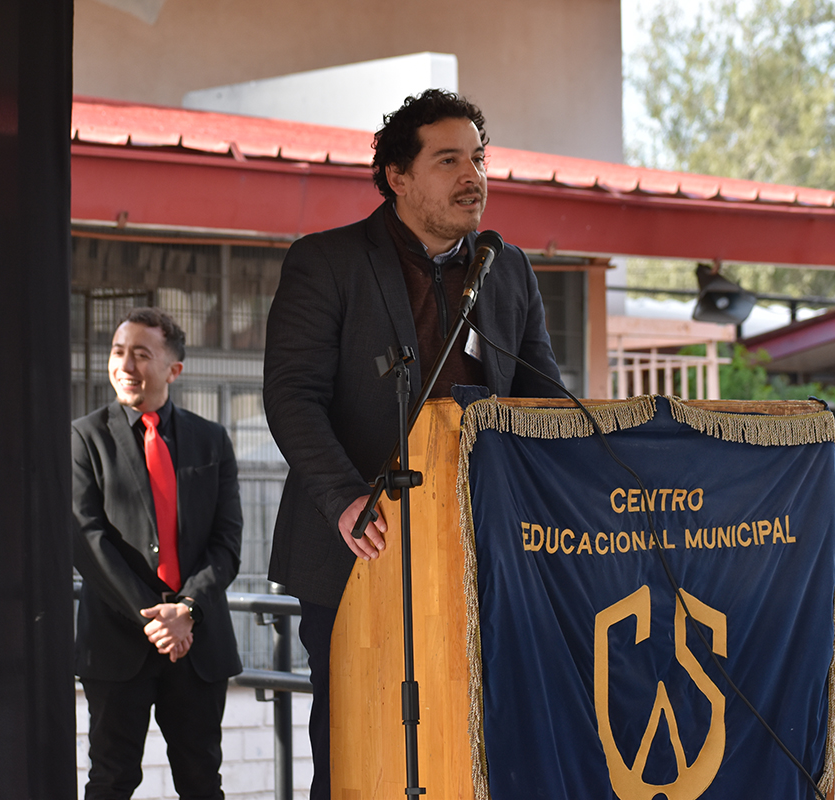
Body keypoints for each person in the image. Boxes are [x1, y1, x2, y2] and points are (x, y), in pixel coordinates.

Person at [263, 88, 564, 799]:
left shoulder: (506, 267)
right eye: (449, 160)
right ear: (397, 176)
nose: (473, 176)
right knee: (359, 752)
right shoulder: (327, 261)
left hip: (481, 548)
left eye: (479, 159)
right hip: (360, 545)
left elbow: (544, 401)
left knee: (475, 742)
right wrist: (346, 499)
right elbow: (292, 397)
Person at [72, 307, 243, 800]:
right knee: (111, 780)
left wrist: (187, 609)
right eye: (118, 351)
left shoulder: (211, 439)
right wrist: (157, 619)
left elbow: (227, 542)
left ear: (174, 369)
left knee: (201, 782)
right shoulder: (84, 438)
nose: (125, 365)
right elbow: (87, 540)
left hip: (198, 643)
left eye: (142, 354)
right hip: (117, 643)